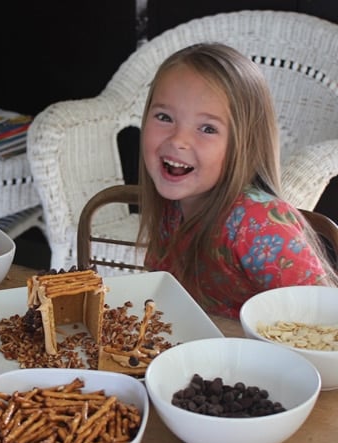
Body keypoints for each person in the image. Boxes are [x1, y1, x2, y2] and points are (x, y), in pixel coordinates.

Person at [136, 42, 338, 319]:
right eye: (164, 117)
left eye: (208, 128)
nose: (178, 140)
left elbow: (325, 324)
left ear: (245, 144)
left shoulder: (259, 225)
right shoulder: (171, 208)